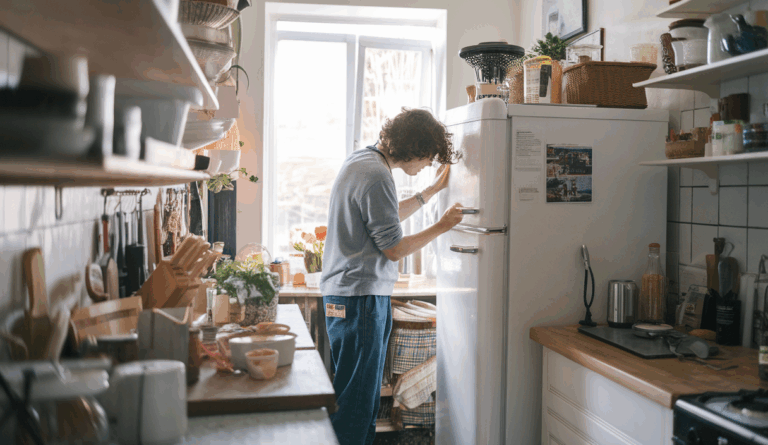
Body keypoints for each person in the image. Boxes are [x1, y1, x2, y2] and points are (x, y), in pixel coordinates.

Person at [320, 108, 464, 445]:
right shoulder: (377, 175)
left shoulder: (362, 162)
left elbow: (383, 215)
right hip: (362, 298)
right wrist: (443, 225)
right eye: (429, 158)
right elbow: (395, 247)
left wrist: (427, 193)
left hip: (346, 294)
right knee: (359, 401)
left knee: (354, 394)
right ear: (415, 148)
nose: (428, 164)